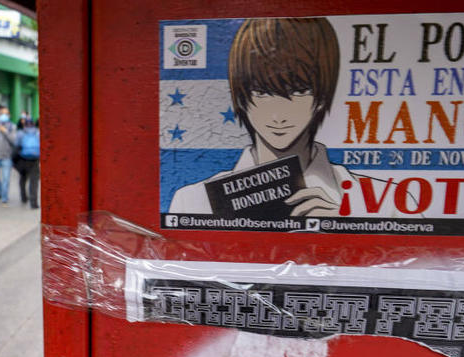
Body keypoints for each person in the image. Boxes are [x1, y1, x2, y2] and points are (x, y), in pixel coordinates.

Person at [169, 18, 415, 217]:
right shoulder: (193, 201)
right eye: (262, 92)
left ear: (320, 96)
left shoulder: (389, 204)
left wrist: (345, 231)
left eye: (298, 91)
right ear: (242, 96)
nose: (278, 115)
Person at [14, 118, 41, 209]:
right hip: (34, 160)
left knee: (23, 179)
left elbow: (16, 145)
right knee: (34, 182)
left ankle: (24, 198)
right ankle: (34, 203)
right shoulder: (38, 132)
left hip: (23, 159)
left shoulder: (20, 133)